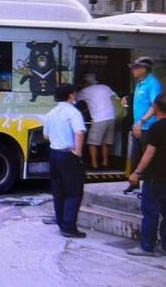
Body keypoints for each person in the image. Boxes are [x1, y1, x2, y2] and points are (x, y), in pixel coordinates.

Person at [126, 94, 166, 257]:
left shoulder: (156, 128)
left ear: (156, 107)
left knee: (150, 212)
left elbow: (150, 153)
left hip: (154, 177)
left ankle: (147, 246)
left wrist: (136, 173)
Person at [42, 83, 87, 238]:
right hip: (68, 154)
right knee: (74, 191)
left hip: (54, 154)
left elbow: (45, 136)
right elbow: (79, 132)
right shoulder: (73, 113)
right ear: (71, 95)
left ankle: (61, 222)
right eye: (74, 93)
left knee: (58, 190)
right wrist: (78, 152)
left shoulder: (51, 113)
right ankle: (69, 226)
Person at [122, 57, 162, 172]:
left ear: (144, 69)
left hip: (148, 127)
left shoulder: (153, 83)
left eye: (135, 68)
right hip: (138, 127)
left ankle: (147, 186)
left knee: (147, 158)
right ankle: (134, 184)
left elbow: (155, 105)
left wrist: (142, 121)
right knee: (135, 157)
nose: (132, 70)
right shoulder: (139, 83)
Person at [77, 73, 118, 170]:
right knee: (106, 142)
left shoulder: (85, 91)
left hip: (99, 119)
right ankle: (105, 163)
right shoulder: (105, 87)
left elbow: (74, 99)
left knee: (92, 143)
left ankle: (94, 165)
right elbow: (115, 97)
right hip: (111, 117)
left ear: (86, 82)